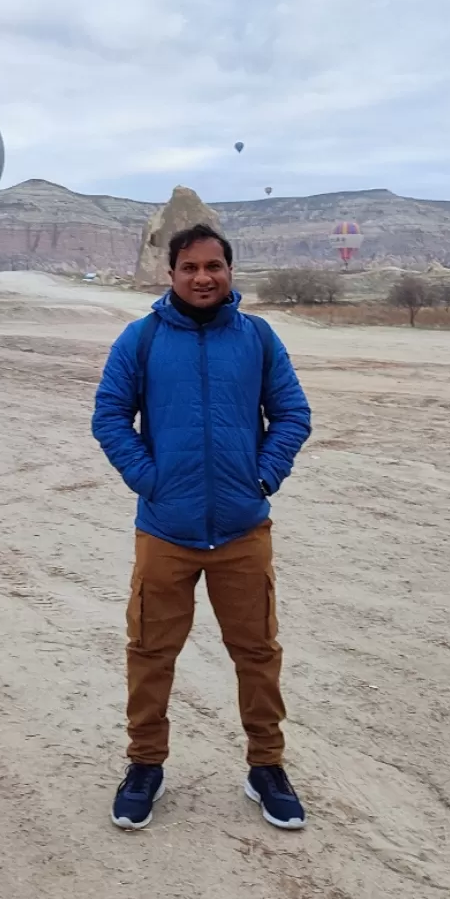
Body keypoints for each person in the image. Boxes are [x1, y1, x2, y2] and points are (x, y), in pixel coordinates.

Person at [92, 224, 312, 832]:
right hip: (165, 531)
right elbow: (110, 415)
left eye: (214, 266)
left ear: (230, 270)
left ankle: (266, 765)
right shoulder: (140, 339)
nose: (202, 277)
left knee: (258, 652)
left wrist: (262, 477)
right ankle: (145, 764)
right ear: (171, 274)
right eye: (189, 267)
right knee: (150, 653)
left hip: (243, 530)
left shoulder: (258, 338)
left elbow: (292, 412)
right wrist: (151, 480)